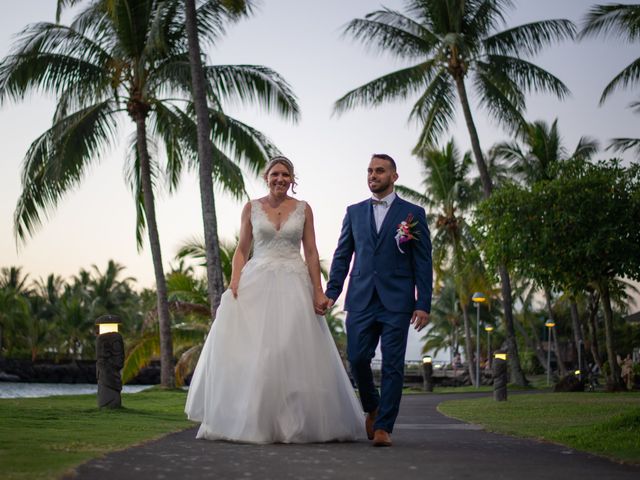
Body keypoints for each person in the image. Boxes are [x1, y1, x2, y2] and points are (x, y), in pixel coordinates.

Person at [185, 156, 365, 443]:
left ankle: (293, 422)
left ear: (292, 179)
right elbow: (242, 249)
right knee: (259, 353)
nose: (280, 179)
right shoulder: (251, 208)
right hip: (257, 281)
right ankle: (255, 420)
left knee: (290, 350)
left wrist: (318, 291)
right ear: (266, 177)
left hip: (294, 283)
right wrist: (235, 279)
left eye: (285, 175)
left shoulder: (304, 209)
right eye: (275, 174)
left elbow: (311, 251)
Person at [325, 153, 433, 447]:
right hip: (360, 298)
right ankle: (372, 406)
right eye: (370, 171)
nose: (373, 175)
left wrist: (423, 303)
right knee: (358, 359)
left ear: (394, 176)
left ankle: (385, 426)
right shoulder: (354, 211)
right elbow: (342, 255)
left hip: (397, 300)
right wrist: (331, 292)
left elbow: (423, 262)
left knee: (393, 365)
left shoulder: (413, 214)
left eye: (380, 171)